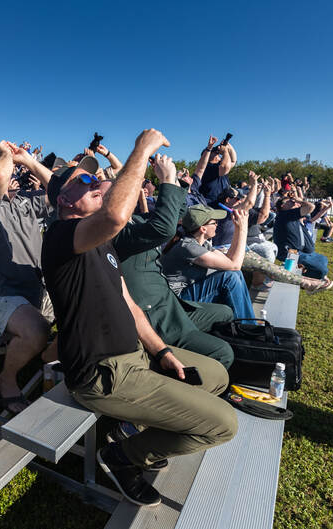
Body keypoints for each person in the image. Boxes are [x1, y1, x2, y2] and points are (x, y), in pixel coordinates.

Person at [42, 128, 236, 507]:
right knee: (223, 424)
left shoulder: (103, 245)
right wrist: (142, 149)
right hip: (103, 374)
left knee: (217, 375)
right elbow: (116, 213)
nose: (97, 179)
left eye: (96, 175)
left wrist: (162, 351)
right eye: (84, 179)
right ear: (63, 200)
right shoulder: (61, 237)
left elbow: (129, 304)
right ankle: (124, 457)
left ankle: (132, 433)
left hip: (137, 356)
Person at [112, 154, 235, 368]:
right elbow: (163, 227)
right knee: (222, 352)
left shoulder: (136, 221)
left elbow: (174, 217)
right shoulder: (115, 233)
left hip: (171, 305)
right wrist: (166, 179)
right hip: (156, 318)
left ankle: (198, 351)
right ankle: (199, 379)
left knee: (224, 313)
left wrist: (177, 184)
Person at [0, 141, 54, 414]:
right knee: (37, 330)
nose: (8, 167)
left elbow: (66, 193)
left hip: (34, 288)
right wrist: (5, 154)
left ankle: (51, 368)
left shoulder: (24, 200)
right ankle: (7, 380)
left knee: (83, 314)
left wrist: (29, 162)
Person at [161, 205, 257, 320]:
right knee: (229, 277)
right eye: (214, 222)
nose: (217, 225)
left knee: (236, 274)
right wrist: (243, 228)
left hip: (187, 293)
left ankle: (247, 323)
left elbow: (230, 261)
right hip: (178, 301)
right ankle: (247, 326)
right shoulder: (188, 247)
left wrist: (238, 228)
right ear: (203, 229)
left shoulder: (201, 243)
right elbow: (235, 265)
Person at [273, 194, 330, 279]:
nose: (294, 202)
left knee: (323, 259)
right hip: (290, 253)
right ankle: (303, 281)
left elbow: (307, 209)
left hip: (298, 251)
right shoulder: (284, 214)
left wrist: (298, 201)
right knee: (322, 270)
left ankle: (301, 270)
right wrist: (298, 201)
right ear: (283, 206)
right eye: (290, 202)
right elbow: (311, 207)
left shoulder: (290, 215)